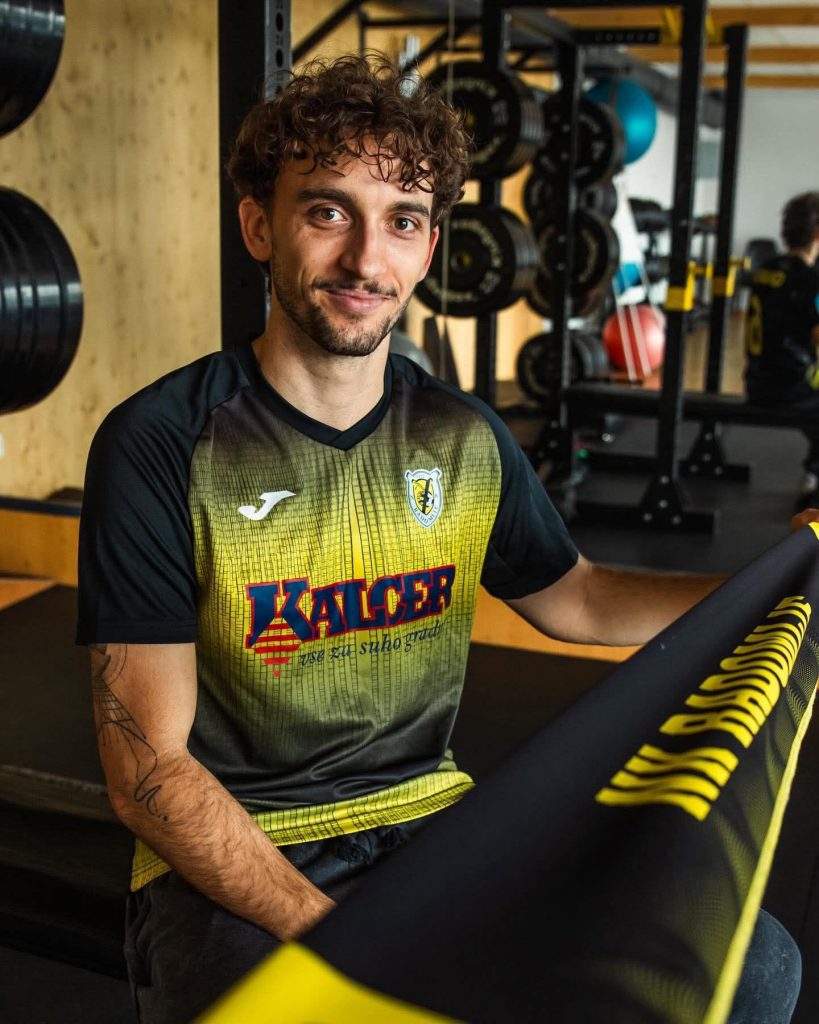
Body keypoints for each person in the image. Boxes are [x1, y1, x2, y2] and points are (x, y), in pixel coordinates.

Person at [77, 55, 801, 1024]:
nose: (366, 260)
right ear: (258, 226)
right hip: (250, 844)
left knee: (754, 968)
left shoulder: (464, 436)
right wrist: (345, 947)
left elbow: (580, 598)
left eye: (404, 222)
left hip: (436, 821)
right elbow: (149, 771)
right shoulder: (164, 441)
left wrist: (786, 574)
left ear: (427, 249)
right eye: (327, 212)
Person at [745, 191, 819, 504]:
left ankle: (814, 474)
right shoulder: (810, 279)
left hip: (757, 382)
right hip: (791, 386)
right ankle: (814, 482)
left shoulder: (766, 269)